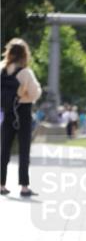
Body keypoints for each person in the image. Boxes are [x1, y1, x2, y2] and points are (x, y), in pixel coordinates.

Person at [1, 38, 42, 197]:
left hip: (5, 112)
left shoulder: (1, 69)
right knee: (24, 150)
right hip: (22, 112)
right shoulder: (25, 72)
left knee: (4, 149)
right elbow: (34, 94)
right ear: (25, 54)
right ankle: (24, 187)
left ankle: (1, 184)